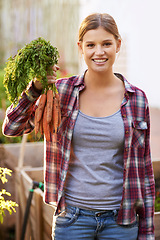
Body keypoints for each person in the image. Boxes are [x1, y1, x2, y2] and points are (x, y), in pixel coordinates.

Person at [2, 13, 155, 240]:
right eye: (91, 45)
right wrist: (34, 88)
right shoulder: (61, 93)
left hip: (121, 222)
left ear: (118, 45)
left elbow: (144, 172)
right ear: (80, 47)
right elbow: (11, 127)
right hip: (72, 221)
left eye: (106, 44)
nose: (99, 52)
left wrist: (147, 232)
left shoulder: (137, 99)